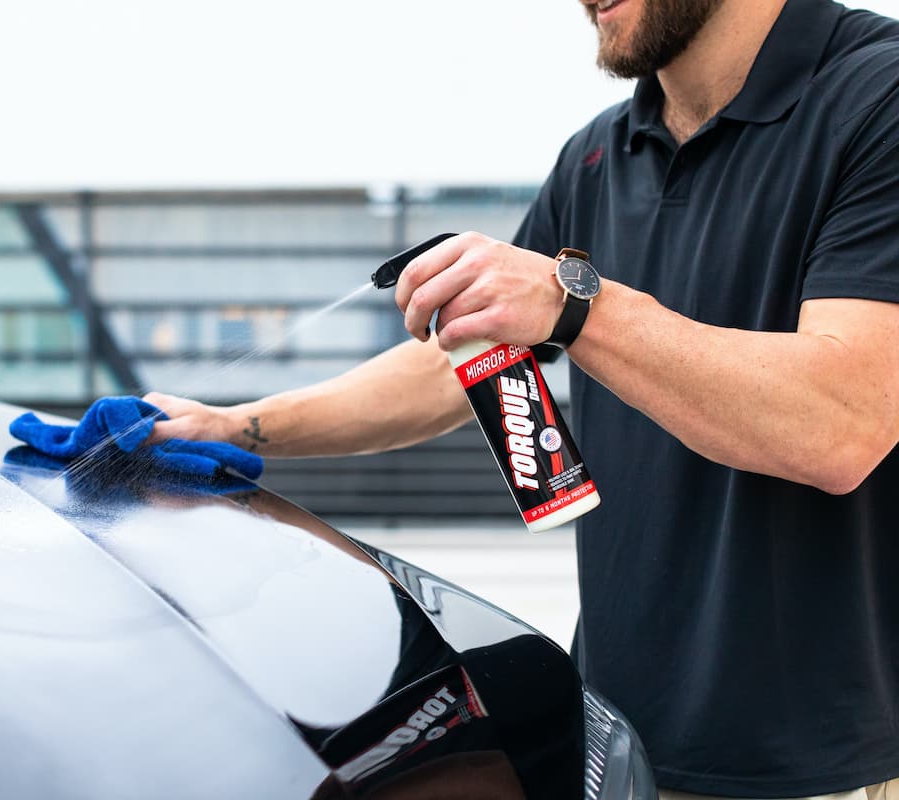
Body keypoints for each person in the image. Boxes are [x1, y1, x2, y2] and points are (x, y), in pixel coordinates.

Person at [143, 0, 899, 797]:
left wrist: (576, 304)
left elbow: (839, 424)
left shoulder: (877, 96)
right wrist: (238, 427)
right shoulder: (600, 155)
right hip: (611, 741)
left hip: (812, 763)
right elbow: (459, 363)